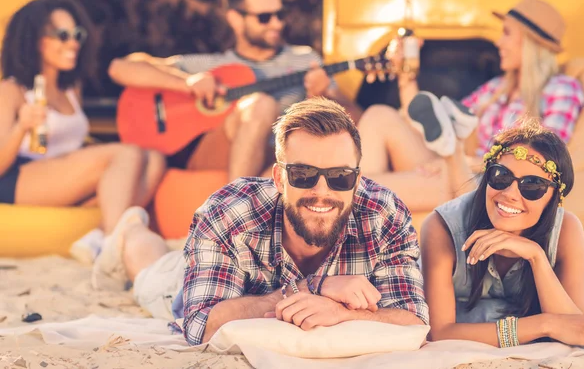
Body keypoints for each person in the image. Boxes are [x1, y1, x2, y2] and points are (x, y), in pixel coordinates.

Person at [93, 97, 428, 345]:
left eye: (340, 176)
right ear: (280, 179)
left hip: (239, 282)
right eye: (303, 174)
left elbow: (413, 320)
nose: (322, 191)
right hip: (184, 288)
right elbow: (200, 326)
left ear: (356, 179)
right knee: (150, 274)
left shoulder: (385, 214)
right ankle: (129, 227)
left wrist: (341, 312)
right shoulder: (228, 211)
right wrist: (312, 288)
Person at [108, 0, 361, 181]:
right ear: (235, 20)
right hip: (217, 151)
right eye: (264, 17)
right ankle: (232, 208)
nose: (276, 24)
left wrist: (325, 96)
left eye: (280, 14)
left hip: (282, 154)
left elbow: (357, 123)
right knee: (261, 103)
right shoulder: (216, 66)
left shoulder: (306, 59)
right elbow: (121, 68)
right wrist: (186, 83)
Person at [357, 0, 584, 212]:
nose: (499, 42)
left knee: (357, 191)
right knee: (379, 116)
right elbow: (435, 125)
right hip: (454, 167)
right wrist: (406, 74)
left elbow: (544, 160)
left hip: (491, 182)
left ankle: (349, 201)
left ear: (530, 43)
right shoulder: (496, 88)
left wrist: (463, 161)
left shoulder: (562, 89)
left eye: (506, 33)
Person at [0, 0, 166, 262]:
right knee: (125, 154)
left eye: (77, 34)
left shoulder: (70, 89)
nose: (73, 43)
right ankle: (115, 243)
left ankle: (98, 237)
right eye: (63, 34)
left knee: (154, 158)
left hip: (62, 176)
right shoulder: (12, 90)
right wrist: (21, 126)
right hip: (20, 178)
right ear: (36, 41)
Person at [420, 119, 584, 347]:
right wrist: (546, 324)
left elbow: (578, 330)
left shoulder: (566, 231)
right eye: (501, 176)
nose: (510, 193)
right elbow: (440, 332)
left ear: (554, 198)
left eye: (532, 186)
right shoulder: (442, 227)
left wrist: (536, 256)